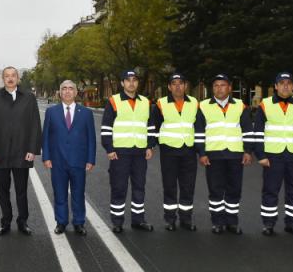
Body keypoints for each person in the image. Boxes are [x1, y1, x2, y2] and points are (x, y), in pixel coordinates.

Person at [0, 66, 42, 236]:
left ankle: (23, 222)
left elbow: (35, 125)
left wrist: (32, 149)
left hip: (22, 152)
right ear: (2, 78)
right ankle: (5, 221)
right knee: (3, 190)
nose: (10, 78)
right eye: (6, 76)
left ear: (18, 78)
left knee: (21, 190)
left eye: (13, 75)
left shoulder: (29, 98)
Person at [253, 72, 293, 237]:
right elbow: (257, 133)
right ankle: (269, 224)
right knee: (271, 190)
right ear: (276, 86)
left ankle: (292, 223)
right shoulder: (265, 105)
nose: (285, 86)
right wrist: (261, 155)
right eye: (282, 83)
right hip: (273, 155)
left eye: (288, 83)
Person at [195, 74, 253, 235]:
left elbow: (247, 131)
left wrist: (248, 151)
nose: (219, 88)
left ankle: (232, 222)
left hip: (235, 154)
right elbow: (199, 133)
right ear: (212, 88)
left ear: (229, 87)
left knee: (234, 189)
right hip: (213, 155)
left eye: (222, 85)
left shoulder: (240, 106)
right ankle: (217, 222)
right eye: (216, 85)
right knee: (215, 190)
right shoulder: (203, 106)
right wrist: (202, 153)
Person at [101, 70, 155, 233]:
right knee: (119, 187)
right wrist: (109, 148)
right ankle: (117, 222)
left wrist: (150, 146)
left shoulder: (145, 102)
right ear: (123, 83)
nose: (131, 83)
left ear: (137, 83)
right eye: (128, 80)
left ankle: (138, 220)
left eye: (134, 80)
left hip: (139, 153)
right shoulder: (114, 101)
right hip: (120, 153)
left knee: (139, 187)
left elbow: (151, 127)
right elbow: (106, 128)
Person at [42, 80, 96, 236]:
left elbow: (91, 138)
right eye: (64, 89)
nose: (67, 91)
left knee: (78, 194)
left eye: (70, 88)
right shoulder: (51, 112)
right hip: (57, 161)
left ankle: (79, 223)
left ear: (75, 92)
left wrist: (90, 159)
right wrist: (46, 156)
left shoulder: (86, 113)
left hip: (78, 161)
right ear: (60, 92)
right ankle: (61, 222)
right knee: (60, 194)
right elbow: (45, 136)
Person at [150, 73, 199, 231]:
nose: (178, 86)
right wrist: (159, 144)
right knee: (169, 185)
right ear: (169, 87)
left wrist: (200, 150)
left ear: (185, 86)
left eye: (181, 83)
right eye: (174, 83)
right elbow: (154, 127)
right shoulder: (161, 103)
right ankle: (170, 219)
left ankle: (186, 219)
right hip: (169, 151)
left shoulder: (194, 103)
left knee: (188, 186)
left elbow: (198, 128)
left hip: (189, 151)